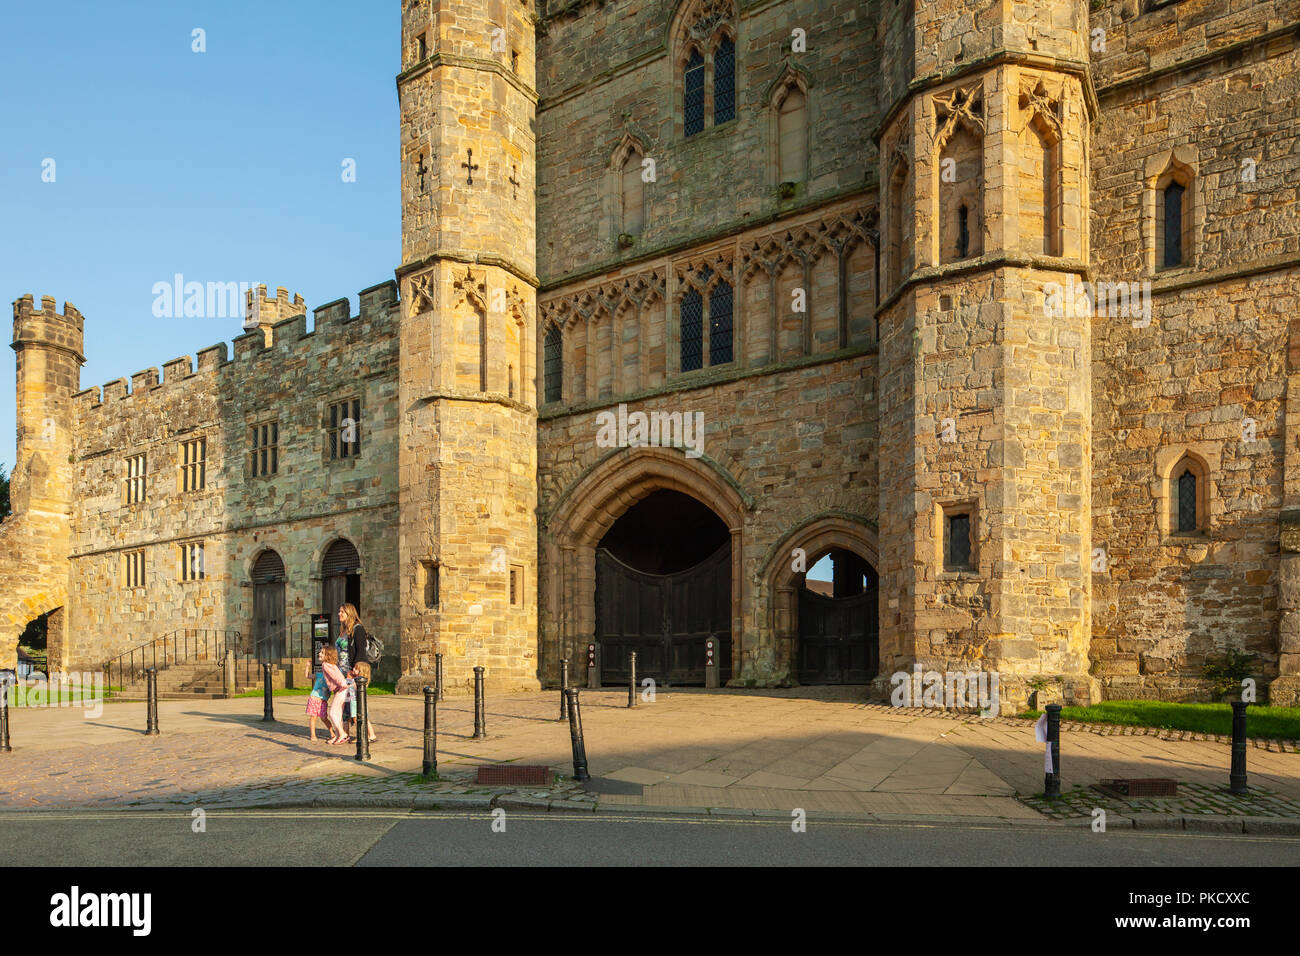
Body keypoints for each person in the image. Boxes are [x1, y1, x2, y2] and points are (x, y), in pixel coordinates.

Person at [337, 603, 371, 739]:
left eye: (342, 612)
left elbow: (361, 652)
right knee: (346, 702)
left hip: (353, 672)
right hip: (343, 672)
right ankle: (346, 733)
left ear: (349, 614)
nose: (339, 614)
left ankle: (367, 734)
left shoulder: (358, 629)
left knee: (355, 702)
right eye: (339, 611)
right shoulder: (344, 630)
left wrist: (354, 671)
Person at [319, 645, 350, 745]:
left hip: (341, 689)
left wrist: (342, 684)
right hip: (341, 689)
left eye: (322, 653)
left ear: (328, 655)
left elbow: (335, 676)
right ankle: (338, 735)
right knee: (338, 714)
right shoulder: (331, 664)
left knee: (333, 713)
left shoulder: (325, 665)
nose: (319, 654)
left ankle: (342, 734)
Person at [305, 648, 331, 741]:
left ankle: (332, 733)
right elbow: (307, 676)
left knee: (324, 718)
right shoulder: (319, 674)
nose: (319, 654)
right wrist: (307, 666)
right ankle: (313, 735)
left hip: (323, 700)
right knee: (313, 717)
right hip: (314, 698)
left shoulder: (330, 674)